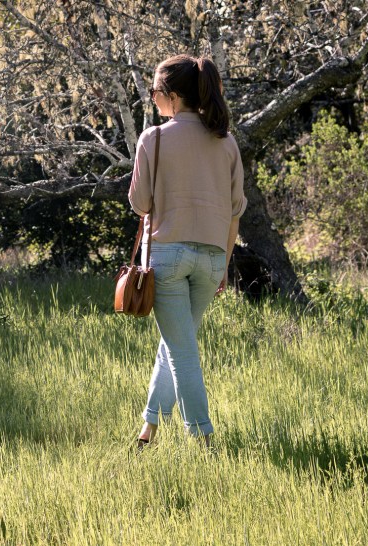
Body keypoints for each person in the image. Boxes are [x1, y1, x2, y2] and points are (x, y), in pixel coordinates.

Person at [128, 54, 247, 450]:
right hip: (213, 258)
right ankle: (148, 430)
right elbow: (234, 213)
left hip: (168, 257)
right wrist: (225, 263)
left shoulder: (154, 138)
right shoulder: (226, 142)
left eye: (156, 93)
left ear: (174, 97)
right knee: (177, 343)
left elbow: (140, 204)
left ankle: (204, 439)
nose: (154, 100)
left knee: (182, 351)